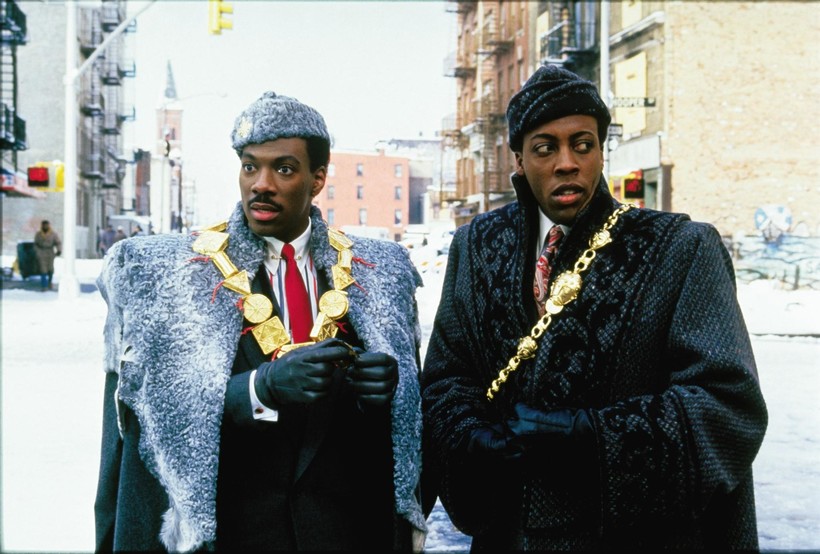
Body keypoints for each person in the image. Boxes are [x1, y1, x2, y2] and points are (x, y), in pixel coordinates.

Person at [421, 64, 768, 550]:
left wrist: (590, 437)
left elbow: (727, 402)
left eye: (582, 144)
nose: (567, 163)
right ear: (518, 159)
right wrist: (470, 436)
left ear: (601, 151)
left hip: (634, 537)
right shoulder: (477, 245)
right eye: (545, 148)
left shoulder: (681, 248)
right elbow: (447, 377)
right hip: (509, 534)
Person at [94, 92, 427, 551]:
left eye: (284, 169)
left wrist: (385, 396)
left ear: (318, 178)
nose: (261, 185)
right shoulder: (169, 274)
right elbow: (144, 423)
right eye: (250, 167)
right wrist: (257, 389)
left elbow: (407, 440)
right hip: (231, 538)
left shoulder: (380, 273)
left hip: (343, 535)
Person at [33, 219, 61, 291]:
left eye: (46, 225)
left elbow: (58, 242)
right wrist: (37, 252)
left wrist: (59, 250)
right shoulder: (38, 234)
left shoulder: (53, 234)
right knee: (43, 269)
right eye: (44, 225)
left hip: (50, 252)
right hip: (41, 252)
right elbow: (35, 244)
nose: (45, 226)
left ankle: (49, 282)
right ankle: (44, 285)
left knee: (50, 269)